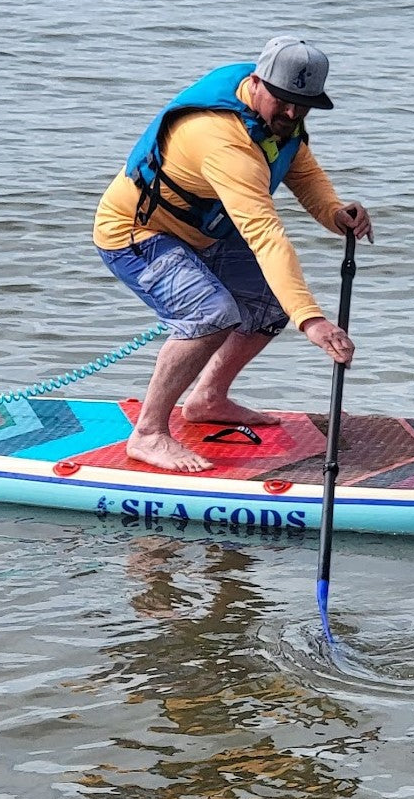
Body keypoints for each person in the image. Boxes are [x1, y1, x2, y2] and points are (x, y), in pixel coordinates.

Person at [94, 36, 374, 473]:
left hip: (202, 233)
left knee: (267, 306)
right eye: (283, 102)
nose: (292, 114)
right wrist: (312, 320)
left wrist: (335, 213)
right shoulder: (222, 140)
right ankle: (148, 433)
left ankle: (207, 399)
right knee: (211, 312)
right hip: (136, 232)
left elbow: (302, 170)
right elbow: (264, 234)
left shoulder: (281, 115)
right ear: (257, 82)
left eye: (303, 105)